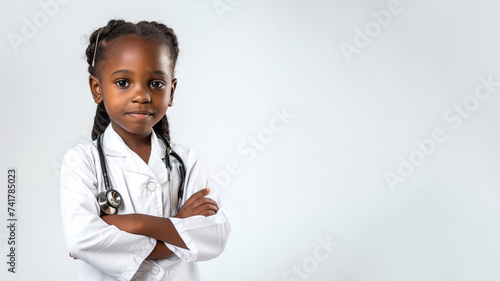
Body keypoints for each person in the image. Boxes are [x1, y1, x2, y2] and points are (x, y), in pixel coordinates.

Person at [60, 19, 231, 281]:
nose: (141, 95)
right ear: (97, 89)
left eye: (155, 84)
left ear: (171, 91)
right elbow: (81, 239)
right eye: (123, 82)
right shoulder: (82, 160)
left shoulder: (184, 160)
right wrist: (178, 227)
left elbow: (214, 236)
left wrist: (132, 223)